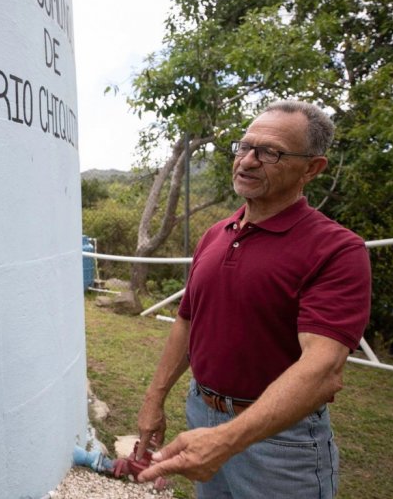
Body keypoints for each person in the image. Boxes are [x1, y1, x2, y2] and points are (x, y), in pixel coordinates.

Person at [113, 100, 371, 498]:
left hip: (280, 443)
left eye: (270, 152)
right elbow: (188, 321)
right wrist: (154, 399)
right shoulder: (216, 234)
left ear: (312, 168)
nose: (248, 161)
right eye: (244, 147)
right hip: (202, 413)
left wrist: (227, 440)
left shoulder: (337, 250)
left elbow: (322, 370)